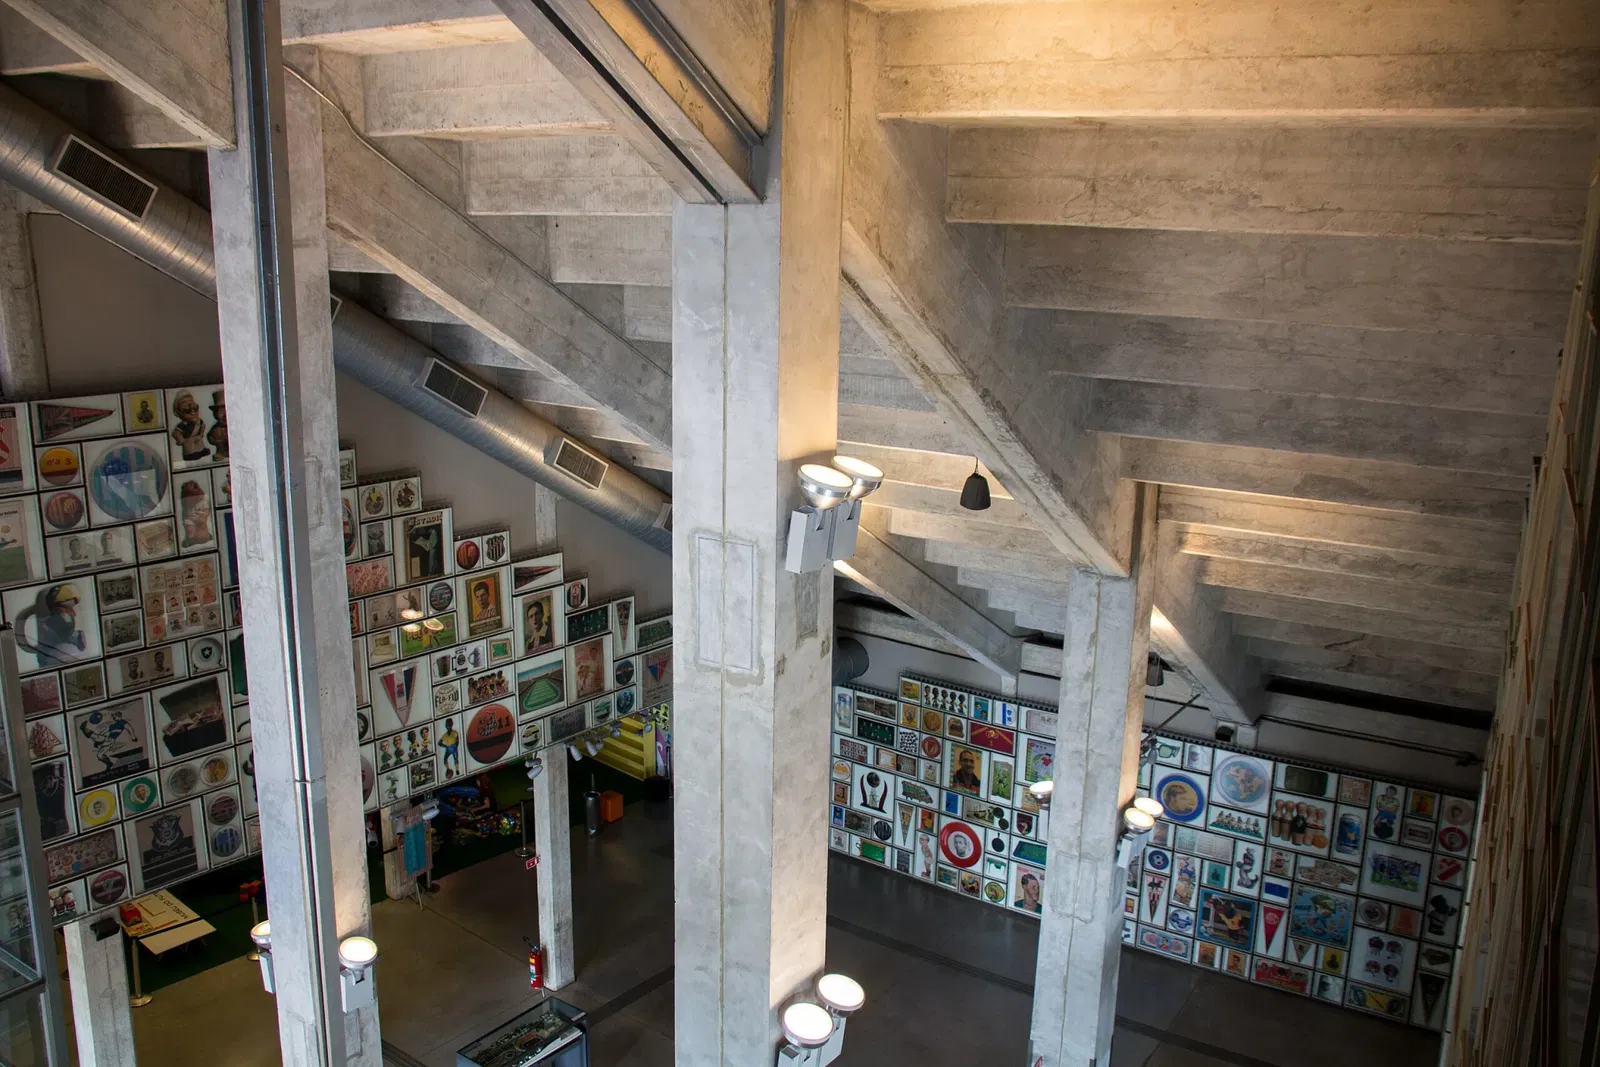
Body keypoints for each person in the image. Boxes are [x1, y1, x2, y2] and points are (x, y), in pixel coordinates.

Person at [169, 391, 208, 461]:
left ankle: (202, 450)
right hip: (188, 439)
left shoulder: (199, 421)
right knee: (189, 445)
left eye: (191, 402)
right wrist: (181, 440)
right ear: (178, 412)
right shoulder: (183, 424)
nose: (191, 409)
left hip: (197, 437)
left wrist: (201, 433)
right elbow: (176, 433)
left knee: (200, 443)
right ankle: (190, 454)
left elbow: (203, 425)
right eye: (185, 405)